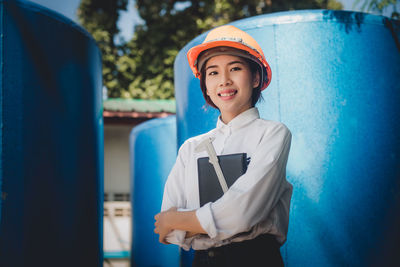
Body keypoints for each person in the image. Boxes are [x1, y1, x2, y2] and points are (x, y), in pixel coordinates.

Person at [154, 25, 293, 267]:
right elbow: (166, 229)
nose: (224, 81)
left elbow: (243, 212)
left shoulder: (273, 134)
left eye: (235, 69)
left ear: (256, 77)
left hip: (256, 259)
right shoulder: (191, 148)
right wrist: (217, 220)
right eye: (213, 73)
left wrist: (180, 220)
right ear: (206, 85)